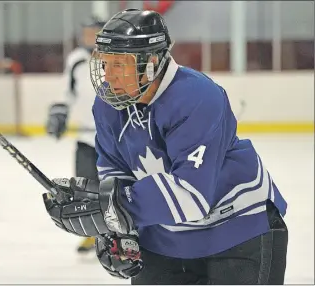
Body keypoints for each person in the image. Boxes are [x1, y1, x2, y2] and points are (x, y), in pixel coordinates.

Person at [43, 9, 289, 285]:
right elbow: (115, 171)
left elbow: (191, 194)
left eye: (119, 65)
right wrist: (118, 231)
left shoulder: (197, 97)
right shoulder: (107, 107)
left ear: (151, 63)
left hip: (238, 229)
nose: (108, 77)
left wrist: (114, 206)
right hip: (164, 239)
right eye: (104, 64)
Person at [45, 17, 106, 254]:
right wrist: (59, 111)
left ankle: (123, 232)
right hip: (85, 136)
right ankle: (91, 234)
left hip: (113, 139)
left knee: (115, 187)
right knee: (85, 187)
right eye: (86, 32)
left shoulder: (115, 57)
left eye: (93, 32)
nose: (88, 36)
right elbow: (67, 91)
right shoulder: (77, 59)